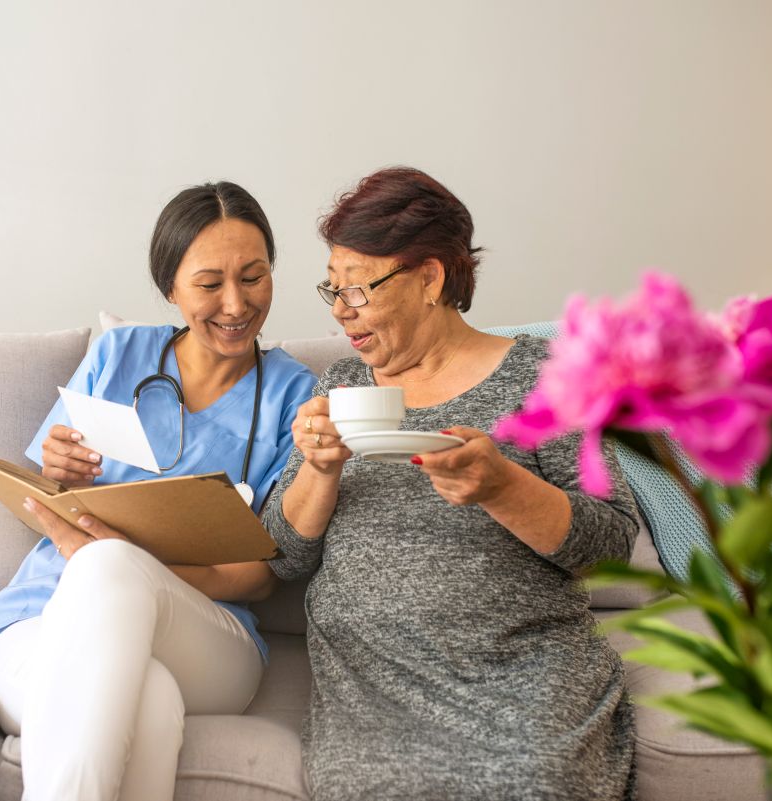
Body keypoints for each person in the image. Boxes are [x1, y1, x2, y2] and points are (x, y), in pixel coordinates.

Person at [262, 167, 640, 801]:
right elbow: (281, 552)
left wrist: (503, 488)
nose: (338, 310)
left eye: (357, 289)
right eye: (332, 288)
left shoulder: (547, 377)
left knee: (532, 784)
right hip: (372, 687)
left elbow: (612, 550)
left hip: (519, 671)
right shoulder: (340, 390)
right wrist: (320, 470)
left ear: (430, 278)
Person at [0, 181, 317, 801]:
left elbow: (259, 576)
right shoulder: (119, 353)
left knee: (110, 564)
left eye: (255, 276)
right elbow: (43, 508)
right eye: (210, 284)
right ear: (171, 289)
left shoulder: (295, 396)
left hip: (207, 636)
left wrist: (129, 561)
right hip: (41, 620)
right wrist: (58, 474)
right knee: (152, 703)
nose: (237, 304)